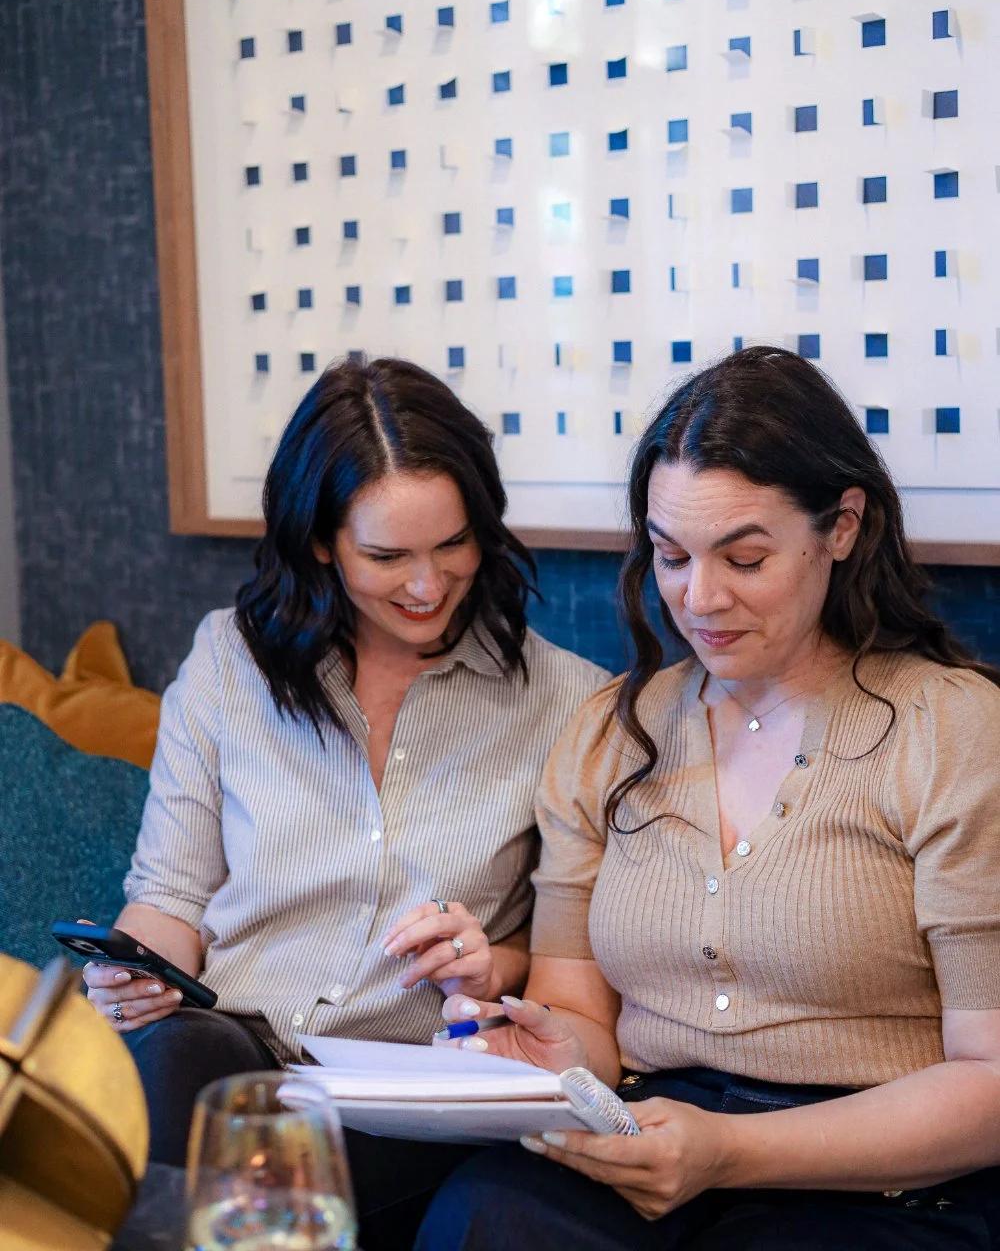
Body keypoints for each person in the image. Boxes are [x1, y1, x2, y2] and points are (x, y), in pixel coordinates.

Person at [418, 345, 1000, 1250]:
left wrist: (730, 1149)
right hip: (654, 1136)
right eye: (671, 555)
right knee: (480, 1213)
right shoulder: (612, 730)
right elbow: (584, 1022)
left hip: (876, 1175)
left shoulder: (951, 729)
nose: (701, 597)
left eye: (746, 557)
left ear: (842, 526)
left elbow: (992, 1083)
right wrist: (549, 1059)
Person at [81, 355, 609, 1247]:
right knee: (177, 1058)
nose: (428, 585)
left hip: (415, 1082)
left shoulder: (568, 702)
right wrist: (135, 972)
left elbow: (567, 962)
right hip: (239, 1046)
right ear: (321, 540)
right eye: (387, 555)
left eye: (454, 545)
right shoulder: (228, 663)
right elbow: (171, 898)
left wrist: (492, 967)